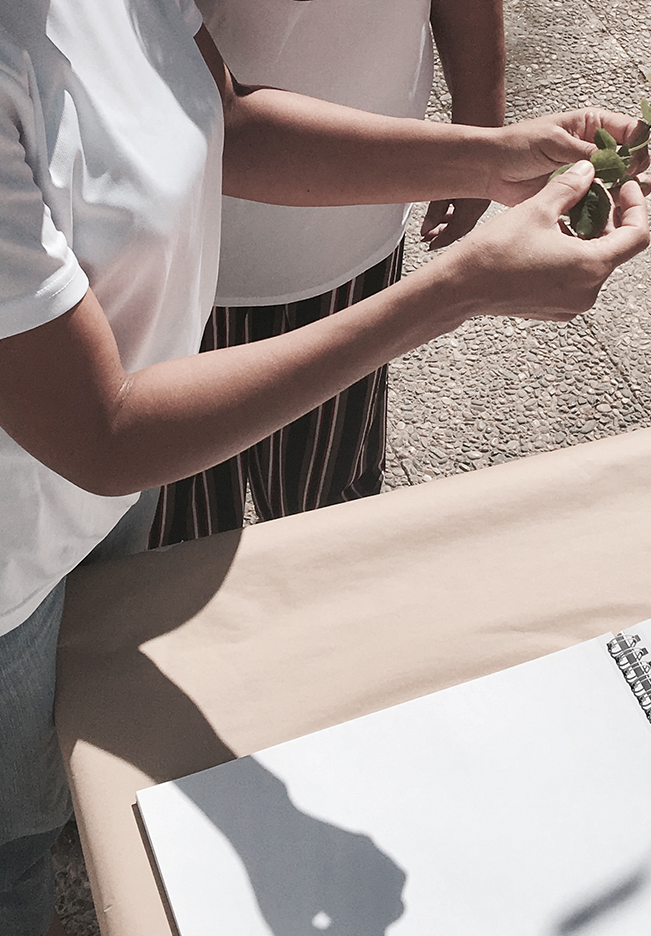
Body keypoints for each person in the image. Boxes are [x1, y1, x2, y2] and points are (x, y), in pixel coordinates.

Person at [0, 0, 650, 936]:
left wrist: (492, 154)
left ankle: (78, 843)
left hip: (87, 489)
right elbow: (102, 431)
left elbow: (229, 121)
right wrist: (462, 288)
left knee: (90, 729)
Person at [154, 0, 506, 541]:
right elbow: (227, 117)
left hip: (353, 238)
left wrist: (481, 140)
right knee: (180, 535)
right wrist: (484, 161)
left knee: (329, 511)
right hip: (181, 257)